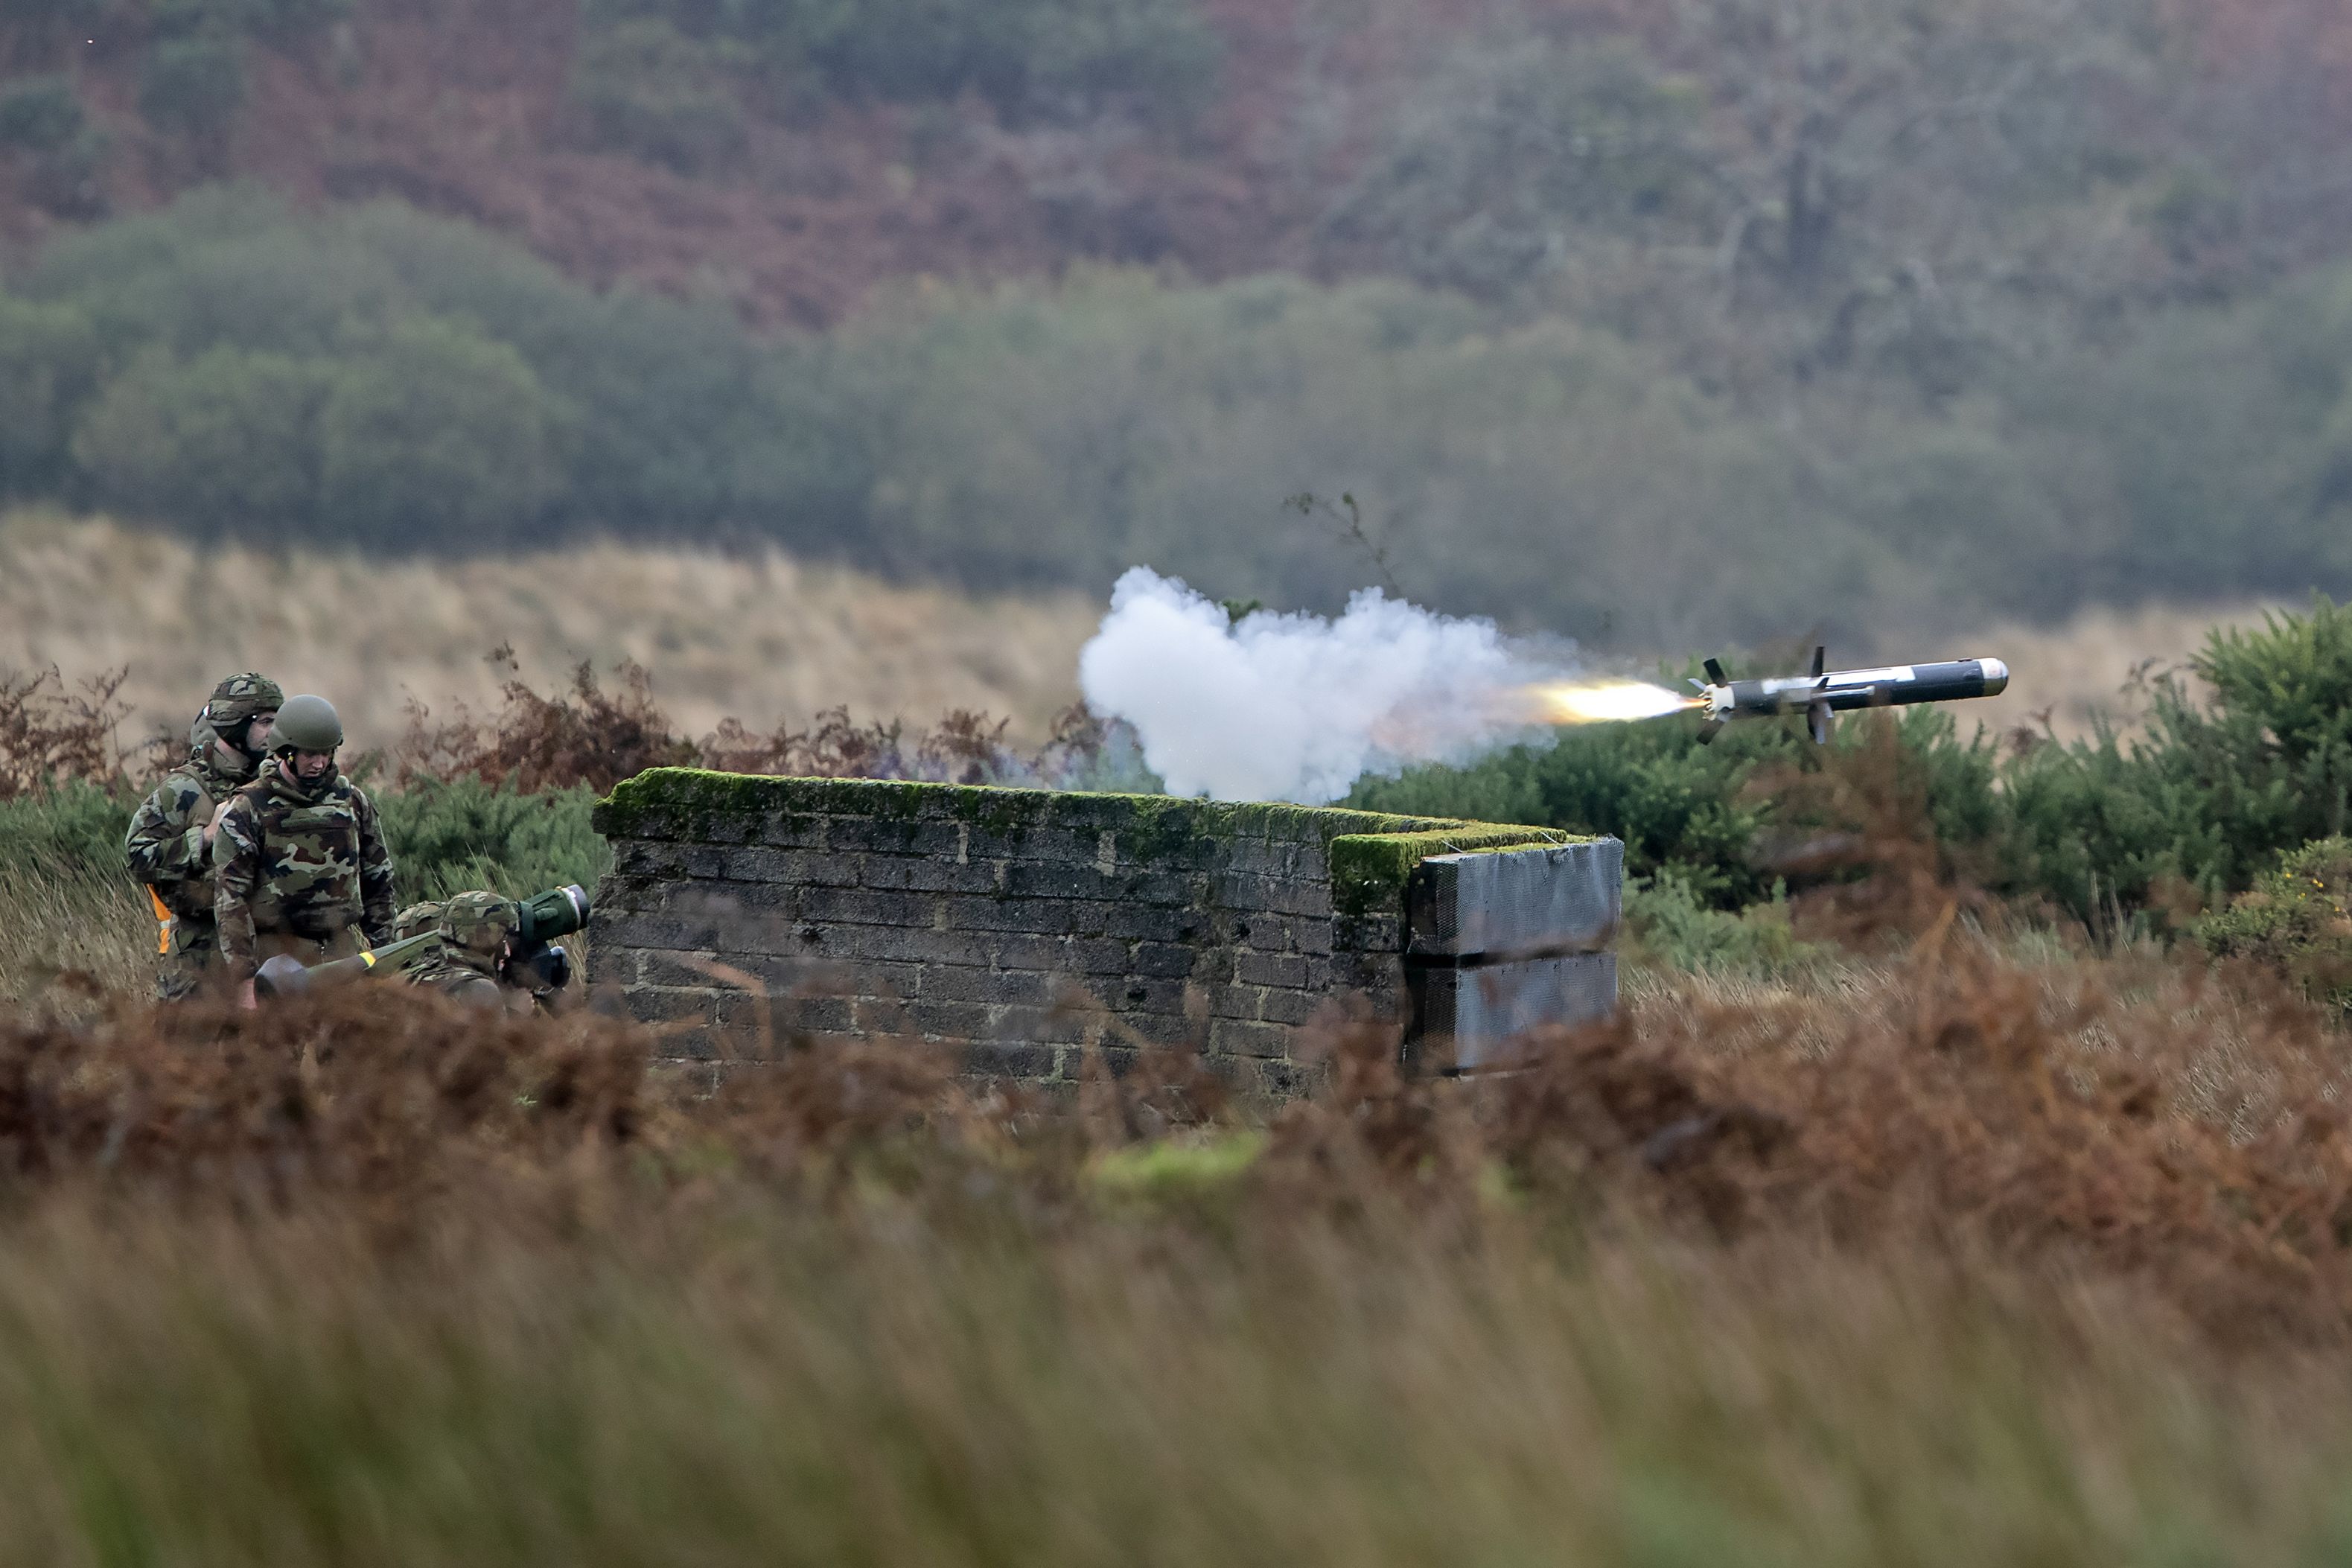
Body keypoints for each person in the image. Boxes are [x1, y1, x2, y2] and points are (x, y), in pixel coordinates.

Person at [212, 693, 397, 1010]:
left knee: (351, 1056)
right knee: (276, 1057)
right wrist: (245, 979)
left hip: (342, 953)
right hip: (276, 961)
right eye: (310, 754)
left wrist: (386, 955)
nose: (320, 763)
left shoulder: (352, 802)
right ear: (287, 751)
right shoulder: (249, 807)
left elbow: (378, 880)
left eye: (327, 753)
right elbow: (230, 899)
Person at [124, 672, 281, 1001]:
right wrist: (205, 837)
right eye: (266, 722)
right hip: (199, 966)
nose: (275, 732)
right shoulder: (184, 789)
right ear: (235, 724)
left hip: (265, 958)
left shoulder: (276, 784)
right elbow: (138, 857)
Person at [404, 890, 575, 1013]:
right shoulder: (480, 989)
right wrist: (517, 1014)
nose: (507, 952)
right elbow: (492, 1058)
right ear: (484, 939)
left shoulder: (417, 972)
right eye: (504, 939)